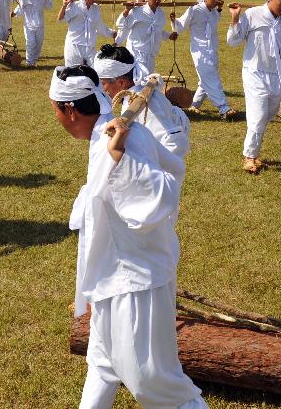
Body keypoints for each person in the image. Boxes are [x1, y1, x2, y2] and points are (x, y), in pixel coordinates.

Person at [48, 65, 207, 409]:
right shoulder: (110, 134)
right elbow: (174, 166)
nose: (56, 118)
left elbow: (160, 194)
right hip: (111, 279)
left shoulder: (119, 139)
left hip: (133, 284)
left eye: (55, 110)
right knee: (102, 365)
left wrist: (121, 160)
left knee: (155, 384)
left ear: (70, 109)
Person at [227, 0, 281, 173]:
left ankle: (255, 149)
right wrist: (235, 18)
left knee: (270, 111)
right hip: (254, 72)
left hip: (275, 74)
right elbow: (233, 41)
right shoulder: (253, 14)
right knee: (258, 115)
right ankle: (250, 156)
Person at [93, 44, 191, 158]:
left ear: (121, 83)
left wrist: (151, 171)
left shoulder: (147, 108)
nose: (102, 89)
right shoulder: (135, 93)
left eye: (103, 83)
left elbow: (175, 144)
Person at [173, 0, 236, 119]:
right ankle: (223, 108)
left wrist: (219, 9)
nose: (217, 0)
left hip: (213, 49)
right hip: (200, 51)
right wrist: (174, 20)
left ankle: (194, 106)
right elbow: (181, 26)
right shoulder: (194, 9)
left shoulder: (213, 11)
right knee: (212, 79)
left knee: (205, 80)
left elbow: (215, 20)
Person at [115, 0, 176, 81]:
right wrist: (127, 10)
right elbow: (122, 25)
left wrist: (169, 36)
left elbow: (158, 30)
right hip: (136, 51)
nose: (157, 0)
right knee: (138, 79)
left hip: (151, 52)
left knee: (148, 79)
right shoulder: (137, 11)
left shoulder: (160, 13)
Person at [58, 0, 115, 67]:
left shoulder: (96, 9)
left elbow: (99, 26)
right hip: (74, 45)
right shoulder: (74, 6)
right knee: (73, 73)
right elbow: (61, 19)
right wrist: (64, 6)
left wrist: (111, 33)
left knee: (94, 71)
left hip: (90, 46)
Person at [13, 0, 54, 67]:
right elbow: (20, 8)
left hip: (40, 25)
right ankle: (29, 62)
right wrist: (14, 13)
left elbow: (48, 5)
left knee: (38, 45)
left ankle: (33, 61)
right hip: (29, 26)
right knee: (31, 44)